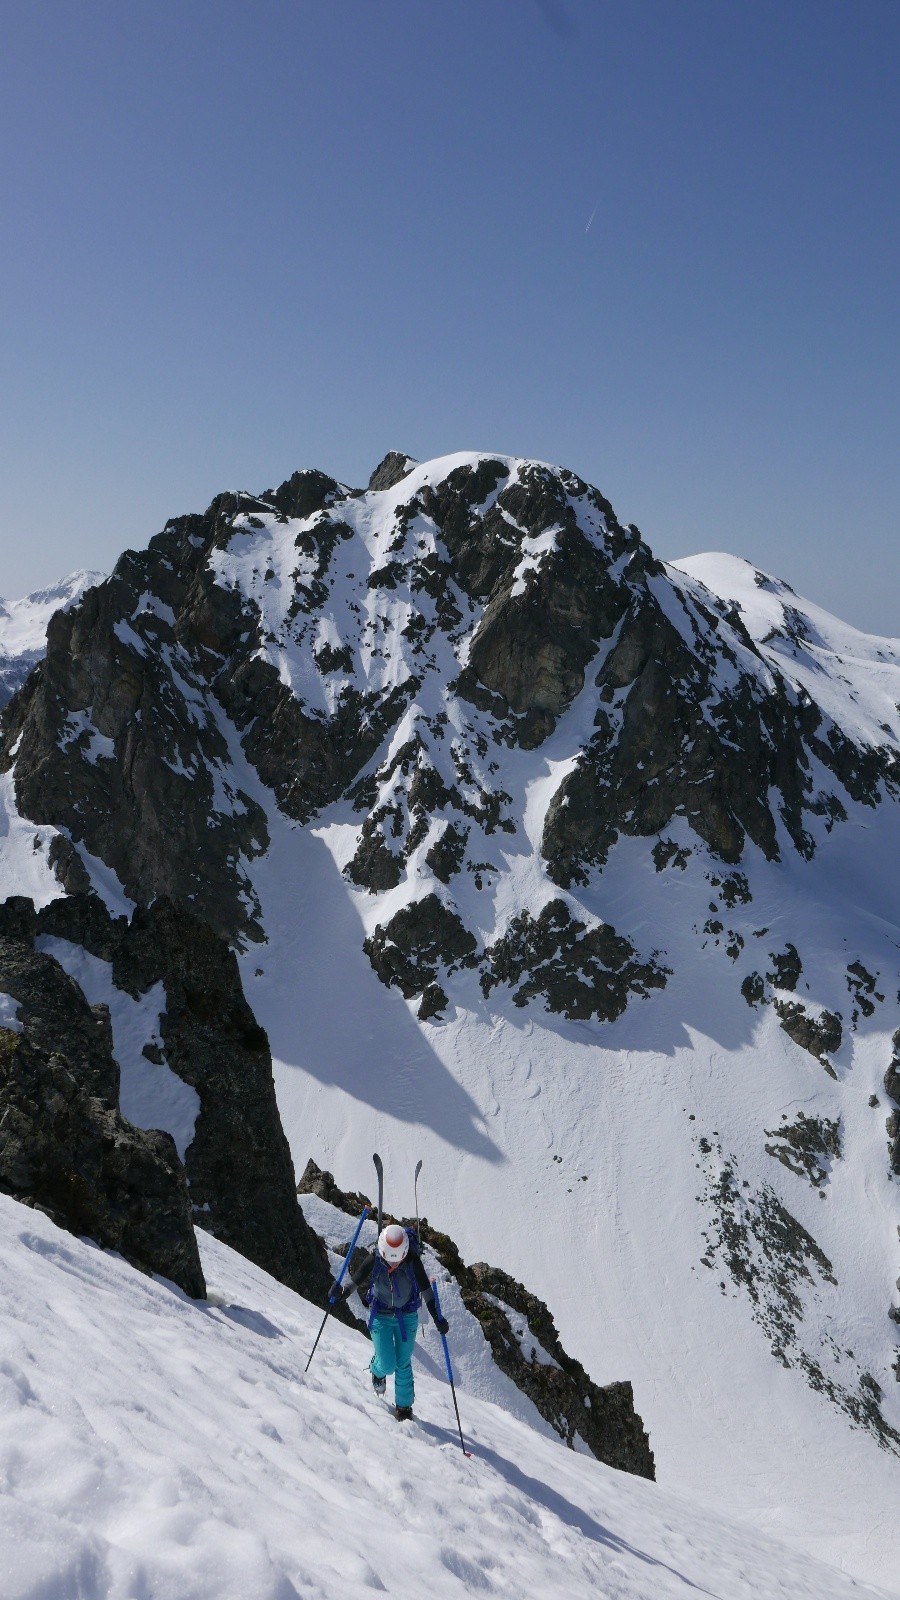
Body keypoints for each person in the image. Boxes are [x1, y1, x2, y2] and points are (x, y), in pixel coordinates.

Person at [330, 1221, 449, 1420]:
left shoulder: (411, 1259)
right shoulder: (375, 1258)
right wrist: (340, 1293)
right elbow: (357, 1279)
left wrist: (437, 1317)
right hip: (381, 1316)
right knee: (386, 1364)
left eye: (398, 1260)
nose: (394, 1264)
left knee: (402, 1362)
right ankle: (377, 1370)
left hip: (408, 1316)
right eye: (390, 1260)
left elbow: (426, 1290)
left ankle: (404, 1408)